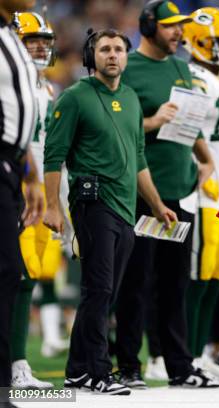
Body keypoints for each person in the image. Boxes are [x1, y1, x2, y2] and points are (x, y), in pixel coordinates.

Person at [43, 28, 177, 395]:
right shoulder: (74, 98)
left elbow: (138, 158)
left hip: (125, 207)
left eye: (119, 49)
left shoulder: (132, 98)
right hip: (93, 203)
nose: (113, 55)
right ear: (91, 56)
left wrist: (157, 204)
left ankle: (77, 371)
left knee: (103, 293)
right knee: (99, 289)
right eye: (105, 49)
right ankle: (100, 372)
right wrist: (53, 206)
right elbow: (53, 155)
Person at [114, 0, 219, 389]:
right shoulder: (129, 66)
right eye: (170, 26)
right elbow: (117, 126)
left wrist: (206, 160)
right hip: (143, 193)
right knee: (136, 283)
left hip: (180, 191)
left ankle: (180, 366)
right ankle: (128, 364)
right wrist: (153, 121)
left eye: (181, 26)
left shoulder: (180, 66)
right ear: (148, 26)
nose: (178, 33)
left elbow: (190, 121)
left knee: (175, 285)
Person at [181, 5, 219, 377]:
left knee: (216, 273)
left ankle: (200, 353)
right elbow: (187, 130)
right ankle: (184, 354)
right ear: (200, 42)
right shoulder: (192, 77)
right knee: (198, 274)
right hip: (202, 186)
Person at [8, 10, 57, 390]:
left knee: (30, 278)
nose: (40, 46)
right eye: (31, 40)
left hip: (41, 195)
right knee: (19, 277)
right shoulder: (14, 83)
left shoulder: (45, 88)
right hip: (19, 190)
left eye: (45, 40)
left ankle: (17, 363)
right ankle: (15, 364)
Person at [0, 0, 42, 405]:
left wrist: (28, 171)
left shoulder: (9, 34)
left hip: (12, 166)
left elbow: (17, 111)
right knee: (8, 270)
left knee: (9, 273)